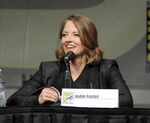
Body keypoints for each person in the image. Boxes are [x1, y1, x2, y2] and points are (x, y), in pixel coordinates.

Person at [6, 14, 133, 107]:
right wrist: (38, 99)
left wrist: (78, 99)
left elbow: (126, 101)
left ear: (89, 38)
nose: (68, 39)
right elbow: (13, 100)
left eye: (76, 35)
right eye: (64, 35)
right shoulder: (48, 69)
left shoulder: (106, 68)